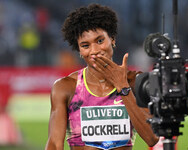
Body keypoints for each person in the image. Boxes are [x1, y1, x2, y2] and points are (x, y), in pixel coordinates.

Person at [45, 3, 159, 150]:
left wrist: (122, 86)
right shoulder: (65, 87)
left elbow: (152, 137)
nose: (95, 51)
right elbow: (54, 144)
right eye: (85, 45)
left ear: (112, 39)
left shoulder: (135, 81)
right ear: (79, 50)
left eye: (100, 41)